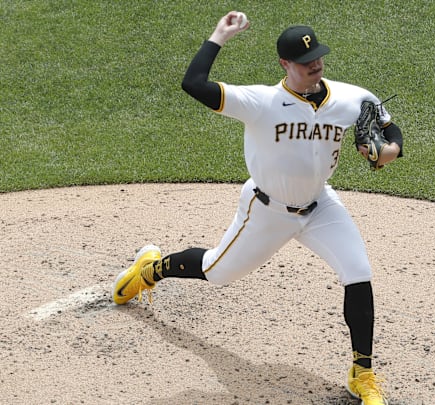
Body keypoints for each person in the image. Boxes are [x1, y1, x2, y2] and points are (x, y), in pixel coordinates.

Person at [111, 10, 403, 405]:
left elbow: (387, 128)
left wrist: (389, 151)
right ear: (285, 64)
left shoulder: (352, 98)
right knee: (217, 271)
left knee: (358, 271)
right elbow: (193, 84)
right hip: (267, 211)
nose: (314, 64)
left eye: (317, 57)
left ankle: (362, 373)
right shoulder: (260, 102)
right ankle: (150, 269)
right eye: (304, 62)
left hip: (320, 207)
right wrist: (218, 36)